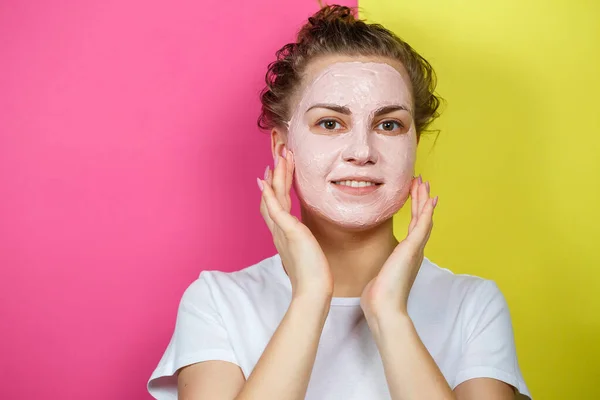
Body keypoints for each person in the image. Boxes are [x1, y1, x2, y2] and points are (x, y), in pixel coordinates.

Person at [147, 4, 531, 400]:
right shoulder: (218, 303)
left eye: (389, 124)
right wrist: (310, 296)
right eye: (330, 123)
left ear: (414, 143)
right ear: (283, 147)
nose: (362, 151)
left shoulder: (473, 306)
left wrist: (389, 314)